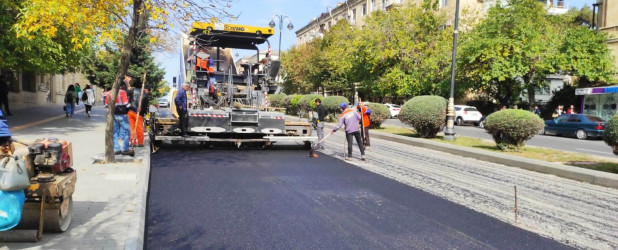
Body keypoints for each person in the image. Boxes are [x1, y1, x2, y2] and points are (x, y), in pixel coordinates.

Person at [106, 75, 133, 156]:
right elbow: (126, 104)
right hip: (122, 114)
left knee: (115, 132)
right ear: (122, 85)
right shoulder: (122, 92)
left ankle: (117, 149)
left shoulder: (110, 92)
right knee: (127, 130)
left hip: (114, 114)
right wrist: (133, 108)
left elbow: (107, 103)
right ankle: (125, 149)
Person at [128, 82, 149, 147]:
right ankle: (140, 142)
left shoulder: (132, 90)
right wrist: (143, 113)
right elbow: (145, 106)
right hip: (139, 113)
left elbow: (127, 97)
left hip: (130, 111)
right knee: (139, 128)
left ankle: (132, 142)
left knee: (132, 128)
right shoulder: (144, 94)